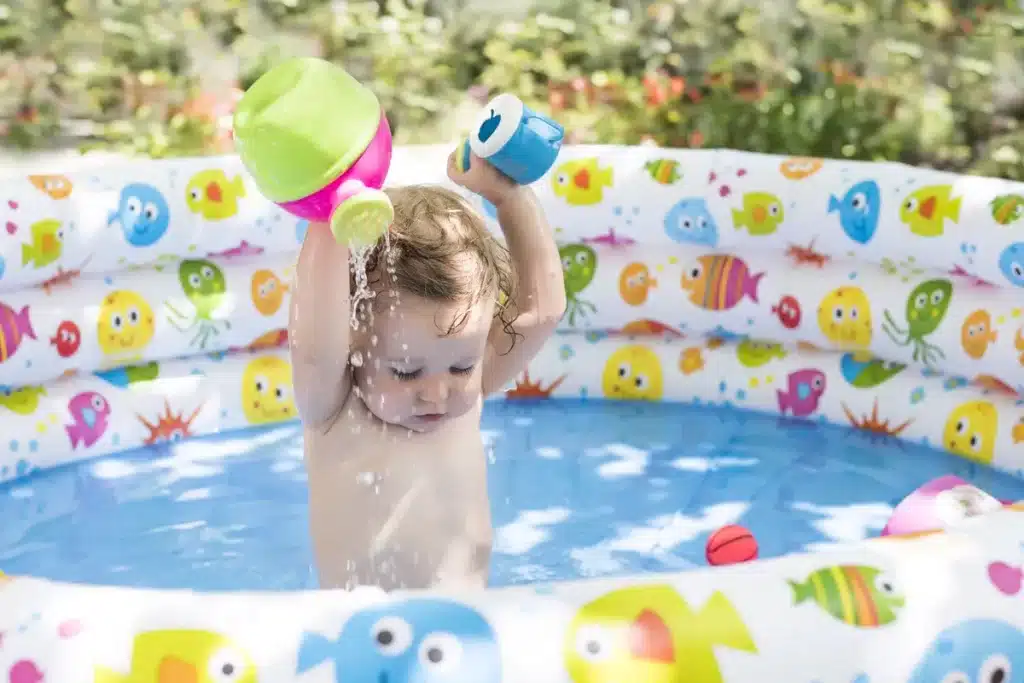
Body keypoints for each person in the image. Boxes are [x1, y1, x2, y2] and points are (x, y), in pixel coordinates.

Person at [290, 146, 566, 591]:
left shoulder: (470, 389)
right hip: (364, 633)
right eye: (404, 371)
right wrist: (328, 217)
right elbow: (312, 347)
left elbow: (542, 310)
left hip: (466, 622)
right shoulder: (334, 405)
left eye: (461, 364)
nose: (437, 393)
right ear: (353, 339)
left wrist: (509, 199)